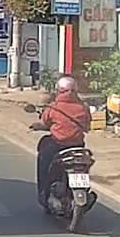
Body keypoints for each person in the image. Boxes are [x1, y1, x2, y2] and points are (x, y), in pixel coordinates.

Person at [30, 74, 90, 208]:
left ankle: (44, 193)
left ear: (59, 90)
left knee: (44, 158)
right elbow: (87, 127)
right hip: (78, 146)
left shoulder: (54, 108)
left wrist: (36, 126)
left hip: (57, 145)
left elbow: (44, 123)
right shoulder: (83, 107)